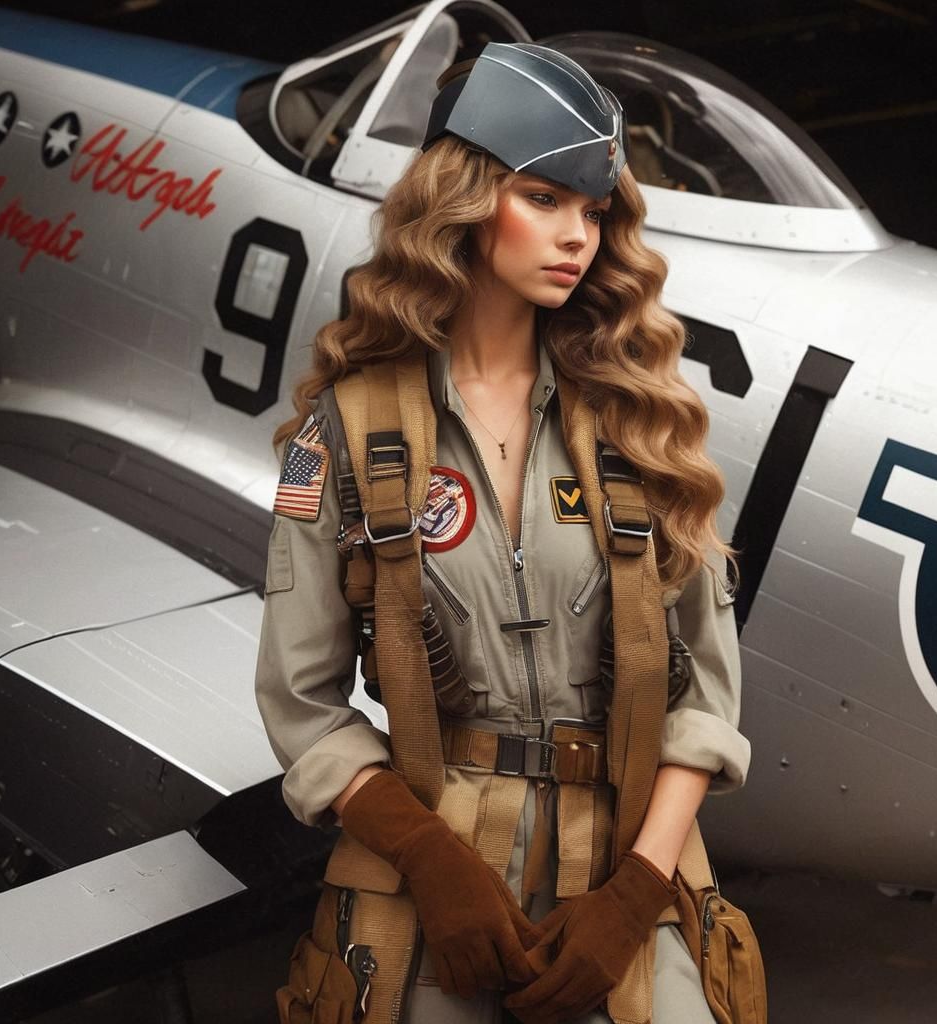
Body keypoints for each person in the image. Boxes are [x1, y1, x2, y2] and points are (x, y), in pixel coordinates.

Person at [255, 41, 751, 1024]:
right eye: (544, 198)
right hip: (432, 861)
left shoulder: (644, 419)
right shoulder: (344, 433)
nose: (577, 235)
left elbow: (707, 697)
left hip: (629, 866)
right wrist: (431, 856)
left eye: (595, 210)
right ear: (467, 197)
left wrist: (635, 893)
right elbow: (302, 704)